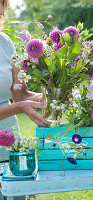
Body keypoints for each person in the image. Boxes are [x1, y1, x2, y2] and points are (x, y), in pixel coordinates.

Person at [0, 0, 50, 162]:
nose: (1, 11)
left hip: (9, 144)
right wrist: (20, 107)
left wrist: (48, 98)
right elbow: (20, 104)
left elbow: (20, 95)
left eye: (2, 4)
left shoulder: (5, 42)